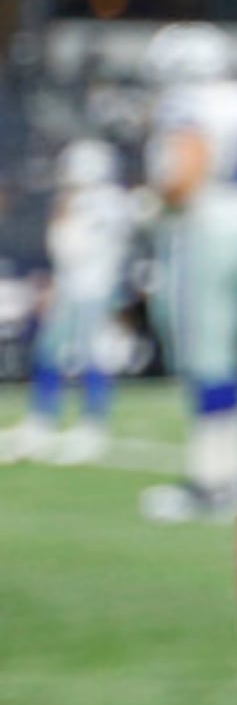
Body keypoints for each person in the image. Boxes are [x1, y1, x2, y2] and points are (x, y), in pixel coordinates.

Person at [138, 20, 237, 522]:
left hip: (206, 228)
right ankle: (233, 471)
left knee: (206, 353)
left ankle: (212, 482)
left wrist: (154, 205)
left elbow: (184, 174)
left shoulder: (188, 104)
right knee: (230, 348)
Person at [0, 137, 135, 466]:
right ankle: (45, 420)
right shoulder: (116, 200)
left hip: (87, 286)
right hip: (90, 285)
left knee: (87, 354)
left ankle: (90, 423)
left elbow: (68, 248)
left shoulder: (85, 203)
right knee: (56, 351)